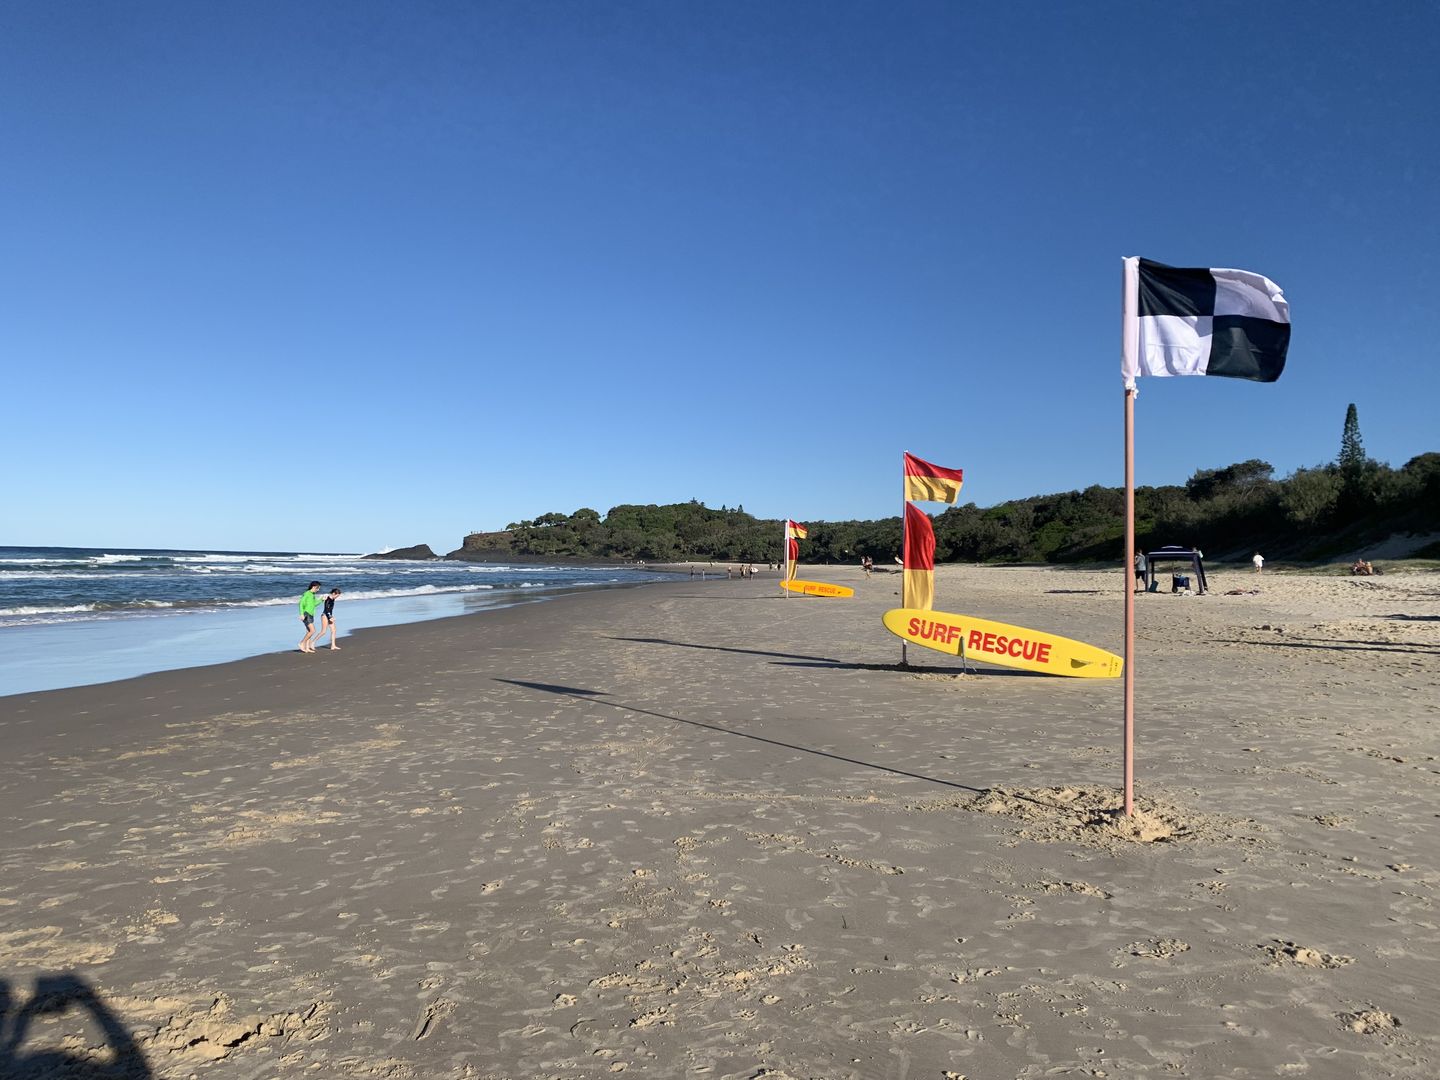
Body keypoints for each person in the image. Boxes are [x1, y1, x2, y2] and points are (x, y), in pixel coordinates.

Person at [298, 581, 324, 653]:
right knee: (313, 631)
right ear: (313, 587)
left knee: (308, 631)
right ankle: (301, 643)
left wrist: (321, 600)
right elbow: (301, 604)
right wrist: (301, 614)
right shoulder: (307, 594)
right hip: (306, 614)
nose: (318, 590)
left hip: (311, 614)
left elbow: (314, 604)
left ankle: (307, 648)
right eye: (318, 588)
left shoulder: (313, 595)